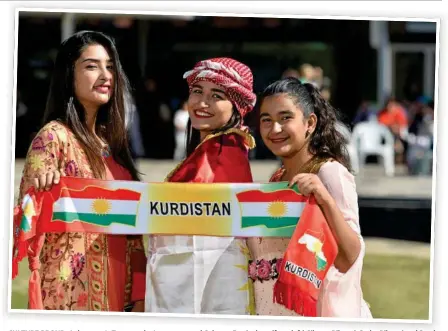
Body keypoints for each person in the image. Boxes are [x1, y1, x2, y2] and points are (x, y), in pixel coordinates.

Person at [13, 31, 147, 312]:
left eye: (110, 66)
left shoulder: (113, 145)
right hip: (70, 294)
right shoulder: (53, 137)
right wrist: (38, 190)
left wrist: (138, 292)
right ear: (67, 75)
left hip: (119, 293)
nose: (105, 74)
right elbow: (25, 213)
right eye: (91, 66)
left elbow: (135, 230)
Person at [247, 77, 372, 318]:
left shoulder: (329, 172)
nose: (275, 129)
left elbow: (351, 256)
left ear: (310, 122)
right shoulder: (276, 180)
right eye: (266, 120)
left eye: (285, 118)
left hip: (322, 313)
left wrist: (323, 197)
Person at [145, 57, 257, 314]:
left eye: (216, 95)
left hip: (207, 287)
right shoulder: (216, 148)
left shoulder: (221, 153)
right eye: (197, 91)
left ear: (237, 107)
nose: (202, 103)